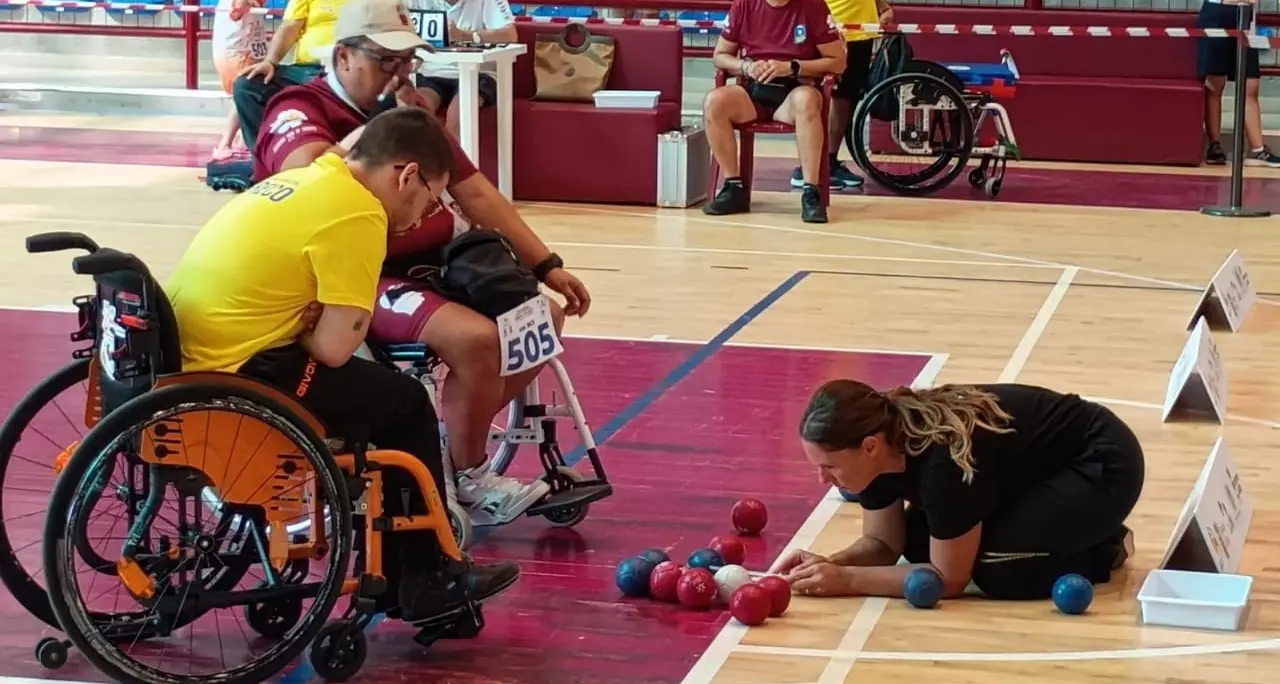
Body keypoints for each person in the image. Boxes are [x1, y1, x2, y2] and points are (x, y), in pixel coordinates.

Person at [167, 107, 520, 627]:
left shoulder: (304, 180)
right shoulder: (359, 214)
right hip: (244, 371)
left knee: (369, 400)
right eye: (428, 197)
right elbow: (333, 349)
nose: (425, 216)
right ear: (406, 175)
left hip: (194, 356)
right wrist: (312, 327)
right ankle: (422, 577)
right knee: (405, 404)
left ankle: (399, 565)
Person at [254, 0, 593, 525]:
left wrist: (546, 263)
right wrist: (387, 130)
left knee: (542, 318)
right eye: (386, 62)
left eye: (406, 62)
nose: (399, 74)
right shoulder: (299, 109)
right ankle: (472, 473)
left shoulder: (408, 116)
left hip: (430, 265)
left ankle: (457, 458)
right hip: (347, 273)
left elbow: (478, 195)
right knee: (475, 339)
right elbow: (306, 182)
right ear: (343, 56)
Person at [774, 381, 1142, 601]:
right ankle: (1061, 528)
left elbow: (950, 579)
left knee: (996, 570)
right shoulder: (880, 443)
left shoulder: (942, 464)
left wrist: (848, 581)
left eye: (830, 466)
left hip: (1100, 462)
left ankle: (1103, 547)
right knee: (918, 541)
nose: (822, 479)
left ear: (870, 446)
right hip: (1030, 472)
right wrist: (829, 565)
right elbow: (885, 546)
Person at [702, 0, 847, 224]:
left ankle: (811, 192)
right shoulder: (744, 4)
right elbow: (720, 54)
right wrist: (746, 67)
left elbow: (837, 62)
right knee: (714, 101)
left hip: (794, 90)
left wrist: (793, 66)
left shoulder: (813, 6)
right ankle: (734, 186)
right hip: (753, 90)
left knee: (807, 99)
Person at [787, 0, 892, 190]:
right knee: (829, 98)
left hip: (860, 32)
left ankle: (829, 161)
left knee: (845, 99)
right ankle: (810, 167)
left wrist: (880, 5)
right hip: (837, 31)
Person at [232, 0, 352, 150]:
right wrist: (269, 62)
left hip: (349, 69)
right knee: (247, 85)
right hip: (305, 68)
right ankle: (264, 157)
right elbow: (290, 26)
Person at [409, 0, 518, 139]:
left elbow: (510, 35)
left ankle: (456, 160)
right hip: (430, 72)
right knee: (415, 114)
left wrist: (466, 36)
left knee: (458, 118)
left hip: (477, 73)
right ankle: (423, 160)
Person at [1197, 0, 1280, 167]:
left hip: (1246, 17)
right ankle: (1214, 146)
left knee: (1250, 85)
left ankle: (1257, 149)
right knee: (1215, 83)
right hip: (1217, 13)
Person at [211, 0, 268, 159]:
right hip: (236, 49)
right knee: (244, 94)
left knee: (255, 91)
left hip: (252, 47)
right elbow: (237, 10)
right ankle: (225, 143)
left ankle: (242, 140)